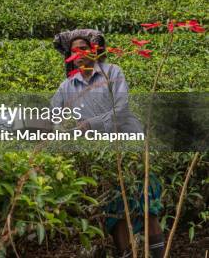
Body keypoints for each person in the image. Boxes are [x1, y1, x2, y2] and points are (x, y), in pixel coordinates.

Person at [51, 29, 165, 258]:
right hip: (100, 153)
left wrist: (90, 124)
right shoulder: (67, 86)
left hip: (128, 144)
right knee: (115, 209)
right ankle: (126, 253)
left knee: (146, 203)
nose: (79, 53)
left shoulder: (113, 72)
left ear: (94, 50)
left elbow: (121, 110)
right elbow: (54, 116)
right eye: (74, 50)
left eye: (83, 48)